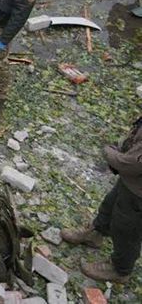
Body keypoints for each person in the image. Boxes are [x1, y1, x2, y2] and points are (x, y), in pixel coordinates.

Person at [62, 116, 142, 284]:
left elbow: (131, 163)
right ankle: (96, 232)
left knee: (127, 229)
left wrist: (110, 153)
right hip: (131, 182)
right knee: (110, 204)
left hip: (138, 192)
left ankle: (120, 269)